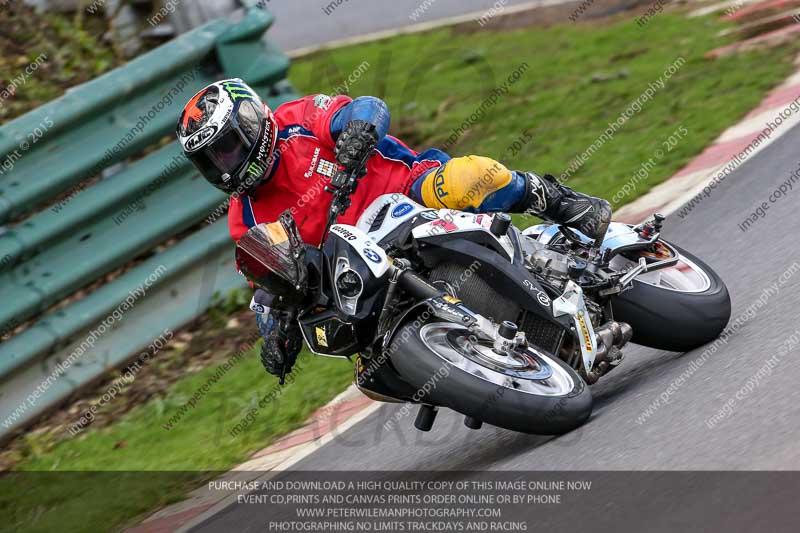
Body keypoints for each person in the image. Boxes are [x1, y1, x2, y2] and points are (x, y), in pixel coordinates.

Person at [177, 78, 611, 378]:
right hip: (359, 269)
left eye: (230, 147)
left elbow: (367, 108)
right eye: (212, 160)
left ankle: (560, 202)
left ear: (253, 122)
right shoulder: (244, 219)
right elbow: (267, 286)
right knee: (369, 365)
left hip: (408, 193)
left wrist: (356, 133)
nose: (226, 165)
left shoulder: (296, 119)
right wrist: (274, 335)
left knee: (472, 177)